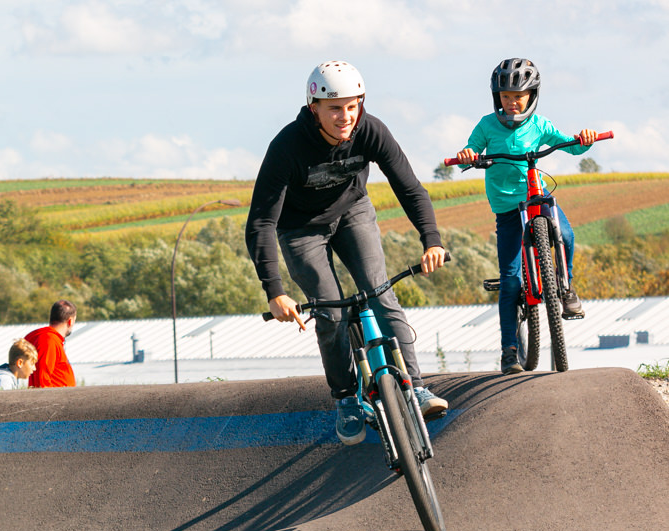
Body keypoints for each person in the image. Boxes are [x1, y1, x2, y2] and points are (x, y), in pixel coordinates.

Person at [245, 60, 448, 446]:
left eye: (352, 106)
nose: (345, 116)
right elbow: (260, 224)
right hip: (301, 229)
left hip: (353, 212)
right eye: (335, 108)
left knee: (380, 292)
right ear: (314, 108)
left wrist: (431, 239)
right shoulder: (287, 147)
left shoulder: (370, 130)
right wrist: (275, 291)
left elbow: (409, 187)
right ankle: (347, 400)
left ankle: (417, 388)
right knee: (331, 311)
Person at [455, 58, 597, 375]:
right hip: (507, 209)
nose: (512, 101)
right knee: (509, 280)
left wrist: (583, 139)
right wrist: (469, 155)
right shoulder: (486, 126)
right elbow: (471, 150)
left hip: (538, 197)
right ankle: (509, 351)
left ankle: (566, 288)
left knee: (568, 236)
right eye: (506, 96)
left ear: (532, 96)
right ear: (497, 98)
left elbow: (570, 146)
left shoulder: (540, 125)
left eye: (519, 95)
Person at [24, 299, 77, 388]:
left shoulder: (49, 338)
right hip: (54, 399)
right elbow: (42, 380)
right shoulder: (49, 340)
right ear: (70, 321)